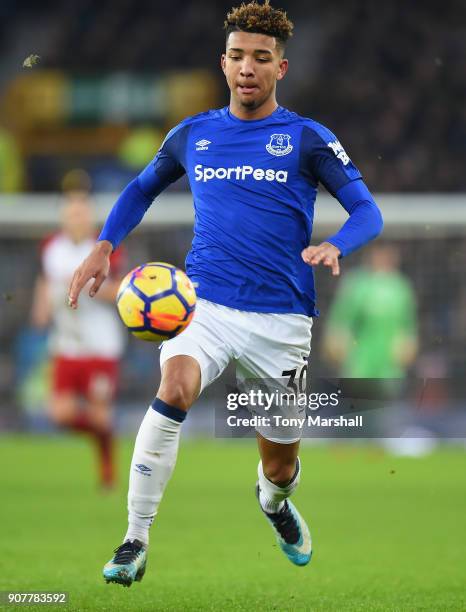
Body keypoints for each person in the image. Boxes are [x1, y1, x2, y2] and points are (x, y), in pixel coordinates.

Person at [68, 1, 383, 586]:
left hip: (282, 320)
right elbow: (140, 189)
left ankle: (273, 501)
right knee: (174, 387)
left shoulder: (306, 139)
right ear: (224, 62)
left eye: (261, 58)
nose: (248, 68)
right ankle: (135, 538)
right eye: (238, 56)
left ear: (279, 69)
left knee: (281, 463)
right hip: (203, 305)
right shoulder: (193, 135)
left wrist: (337, 243)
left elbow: (368, 211)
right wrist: (104, 244)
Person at [31, 181, 125, 488]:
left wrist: (89, 286)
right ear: (63, 216)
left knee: (99, 415)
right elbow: (46, 280)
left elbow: (121, 293)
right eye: (71, 213)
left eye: (82, 213)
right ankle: (105, 435)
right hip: (66, 344)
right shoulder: (51, 247)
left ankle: (107, 468)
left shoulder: (104, 249)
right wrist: (41, 307)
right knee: (60, 415)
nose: (76, 218)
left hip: (101, 345)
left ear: (91, 218)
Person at [323, 243, 417, 379]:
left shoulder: (401, 287)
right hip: (359, 360)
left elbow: (408, 325)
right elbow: (341, 320)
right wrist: (336, 340)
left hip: (389, 362)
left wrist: (408, 343)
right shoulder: (357, 284)